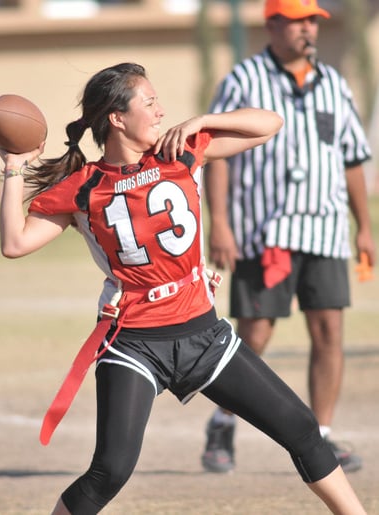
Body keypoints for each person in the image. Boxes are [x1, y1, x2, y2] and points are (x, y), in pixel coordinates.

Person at [0, 62, 367, 515]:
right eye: (148, 102)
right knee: (109, 471)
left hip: (202, 334)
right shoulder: (84, 187)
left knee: (302, 428)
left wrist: (203, 121)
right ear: (117, 117)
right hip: (134, 342)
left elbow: (270, 124)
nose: (160, 110)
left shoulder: (180, 151)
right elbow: (15, 243)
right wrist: (14, 168)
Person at [201, 0, 376, 475]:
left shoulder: (335, 84)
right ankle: (222, 422)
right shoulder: (243, 81)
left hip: (324, 230)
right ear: (273, 23)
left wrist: (364, 227)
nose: (308, 30)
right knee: (254, 334)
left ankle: (320, 436)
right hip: (264, 232)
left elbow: (353, 159)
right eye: (298, 21)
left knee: (329, 333)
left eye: (312, 21)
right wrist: (220, 222)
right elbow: (215, 153)